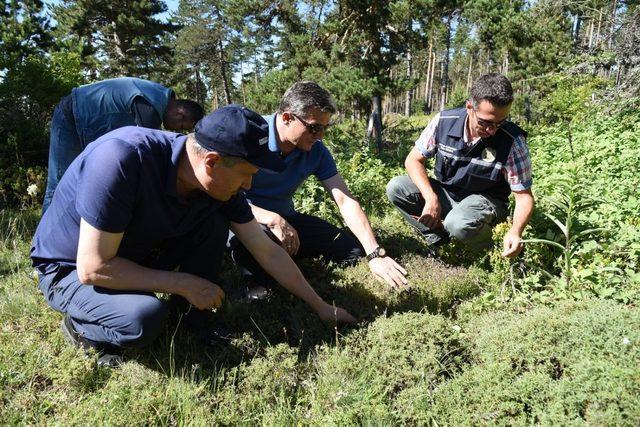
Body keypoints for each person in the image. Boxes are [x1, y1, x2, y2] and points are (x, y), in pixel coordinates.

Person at [31, 104, 355, 367]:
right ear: (212, 162)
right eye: (246, 176)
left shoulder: (216, 185)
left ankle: (193, 320)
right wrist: (184, 284)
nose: (249, 187)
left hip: (135, 253)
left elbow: (265, 250)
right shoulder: (121, 159)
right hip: (71, 268)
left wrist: (320, 306)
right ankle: (83, 328)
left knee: (213, 221)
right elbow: (93, 267)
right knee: (143, 318)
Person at [230, 81, 407, 295]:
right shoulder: (248, 135)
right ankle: (257, 284)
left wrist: (374, 253)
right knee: (259, 251)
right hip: (242, 222)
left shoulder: (316, 150)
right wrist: (268, 217)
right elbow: (222, 195)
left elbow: (344, 200)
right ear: (287, 118)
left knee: (350, 250)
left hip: (287, 220)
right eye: (314, 127)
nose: (320, 135)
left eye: (325, 128)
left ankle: (288, 261)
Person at [386, 73, 534, 258]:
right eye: (485, 122)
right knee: (397, 187)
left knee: (458, 222)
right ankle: (439, 240)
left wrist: (515, 231)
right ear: (469, 107)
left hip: (486, 201)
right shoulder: (444, 122)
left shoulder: (512, 141)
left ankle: (492, 250)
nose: (492, 130)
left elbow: (524, 198)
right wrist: (431, 198)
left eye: (500, 122)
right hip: (448, 194)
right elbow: (412, 160)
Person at [42, 77, 205, 212]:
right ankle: (43, 245)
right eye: (182, 127)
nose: (179, 131)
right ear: (179, 114)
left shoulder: (159, 97)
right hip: (71, 115)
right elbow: (152, 155)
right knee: (59, 182)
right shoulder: (150, 107)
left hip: (84, 121)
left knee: (82, 182)